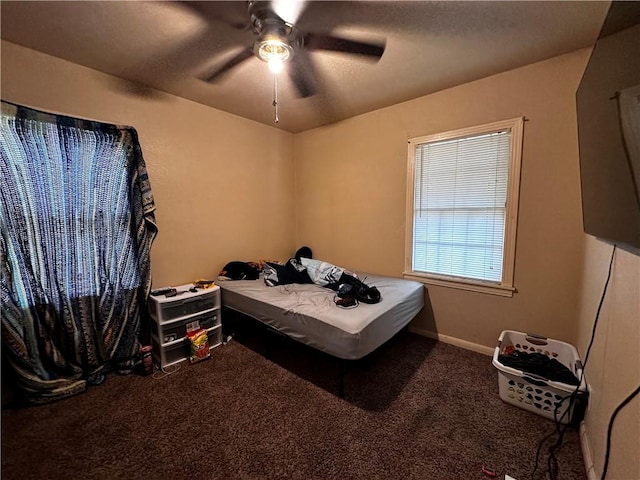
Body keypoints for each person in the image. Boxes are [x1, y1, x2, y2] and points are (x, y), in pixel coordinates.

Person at [263, 247, 381, 304]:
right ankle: (357, 288)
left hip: (329, 275)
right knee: (342, 277)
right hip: (334, 275)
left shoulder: (302, 263)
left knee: (339, 278)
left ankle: (355, 288)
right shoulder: (297, 263)